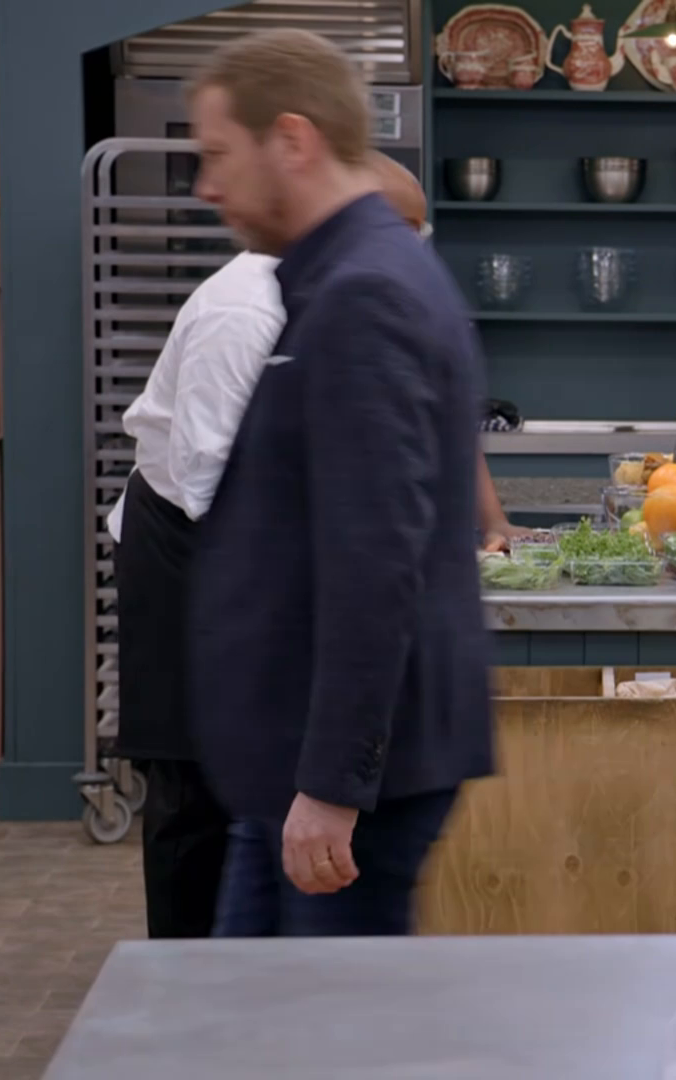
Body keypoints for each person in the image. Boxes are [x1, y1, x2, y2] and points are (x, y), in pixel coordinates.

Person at [107, 148, 518, 939]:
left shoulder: (366, 294)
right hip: (184, 553)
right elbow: (204, 483)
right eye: (402, 232)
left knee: (273, 851)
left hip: (265, 583)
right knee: (192, 802)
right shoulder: (246, 313)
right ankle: (190, 978)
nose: (208, 186)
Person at [184, 28, 493, 936]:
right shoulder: (349, 277)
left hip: (345, 784)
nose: (206, 187)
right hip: (301, 765)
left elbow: (376, 566)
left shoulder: (365, 295)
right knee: (258, 1007)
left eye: (216, 155)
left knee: (327, 1016)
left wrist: (333, 786)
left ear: (291, 139)